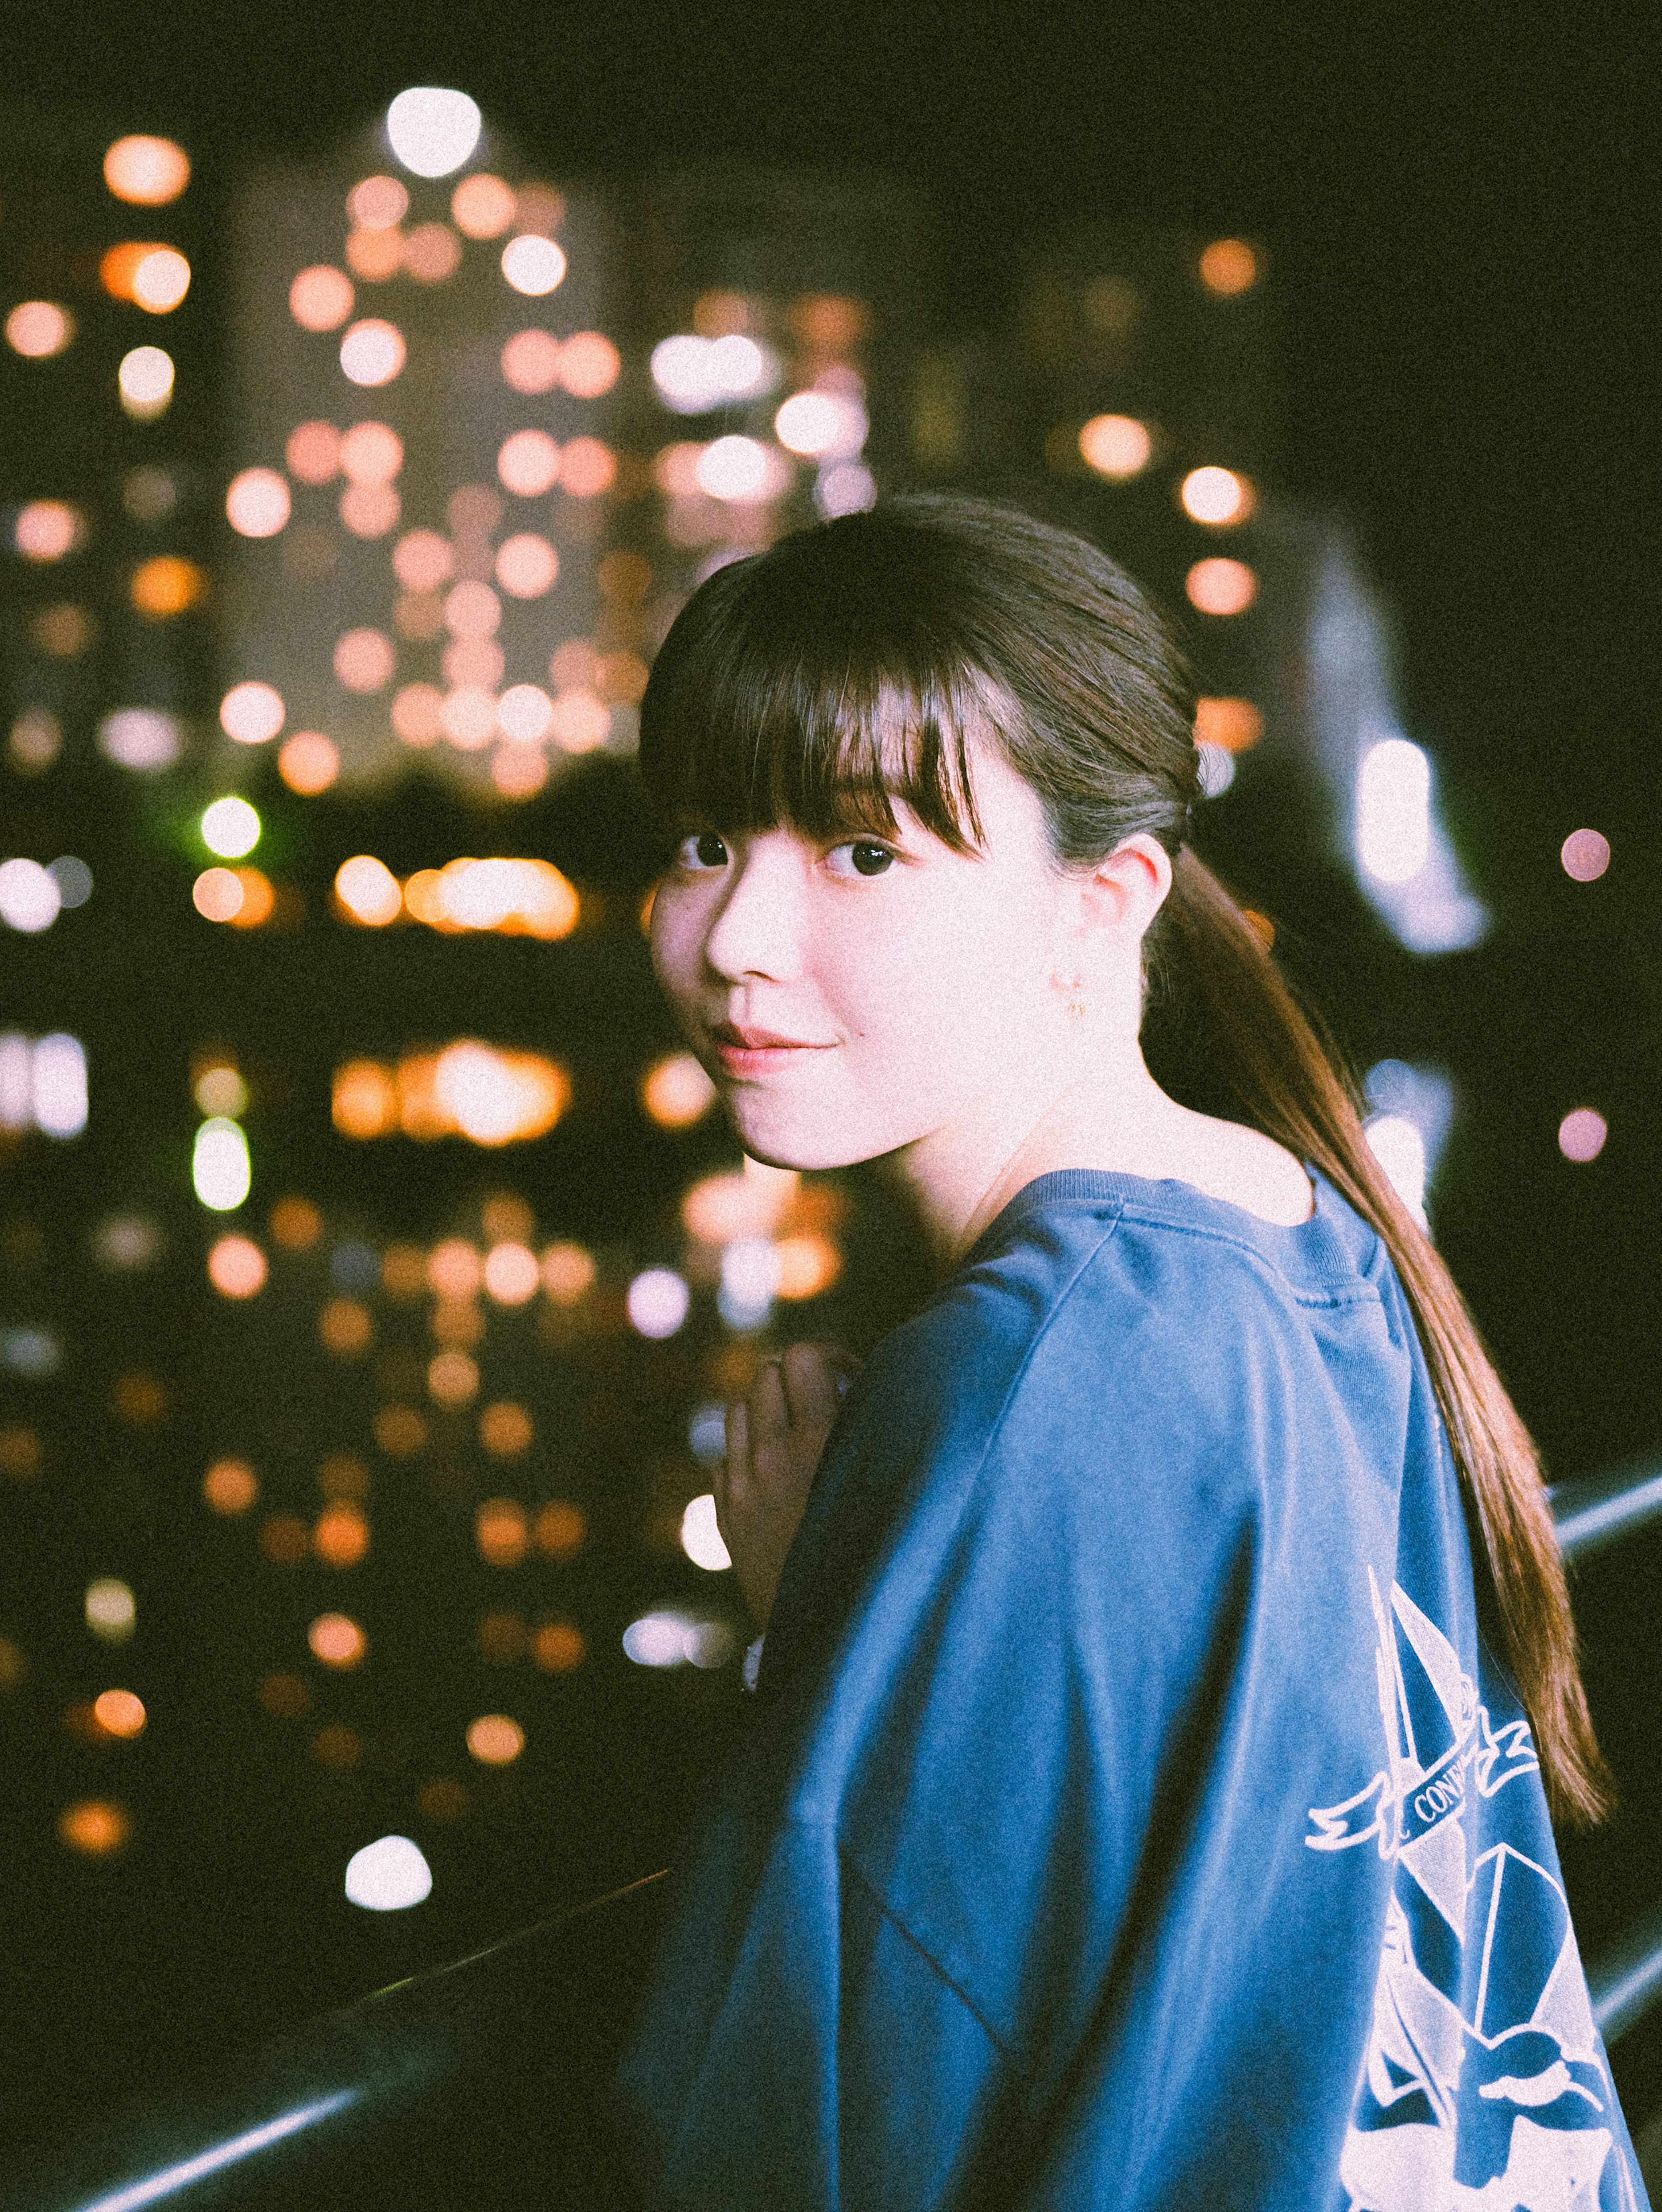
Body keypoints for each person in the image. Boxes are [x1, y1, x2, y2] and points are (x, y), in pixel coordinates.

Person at [611, 496, 1645, 2212]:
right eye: (712, 839)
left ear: (1105, 905)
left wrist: (820, 1636)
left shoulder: (1030, 1379)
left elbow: (803, 2108)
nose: (731, 937)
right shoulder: (1294, 1221)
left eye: (865, 853)